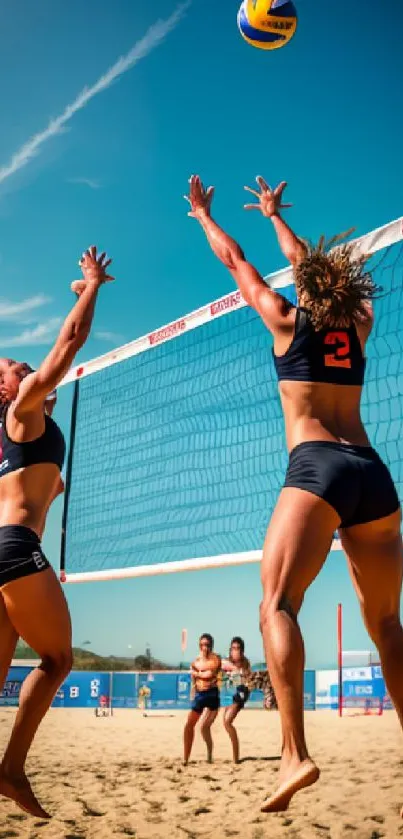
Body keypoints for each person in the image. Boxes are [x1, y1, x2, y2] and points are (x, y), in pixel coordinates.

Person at [185, 175, 402, 813]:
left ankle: (293, 755)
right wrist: (284, 223)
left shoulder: (284, 320)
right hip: (374, 472)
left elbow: (236, 261)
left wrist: (204, 216)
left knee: (276, 603)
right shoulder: (361, 322)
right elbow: (309, 265)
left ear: (303, 287)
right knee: (388, 625)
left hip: (319, 468)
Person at [0, 246, 113, 819]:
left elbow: (37, 487)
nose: (22, 367)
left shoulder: (14, 432)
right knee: (58, 659)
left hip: (1, 548)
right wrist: (92, 286)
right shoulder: (21, 407)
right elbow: (67, 346)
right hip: (15, 551)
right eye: (13, 367)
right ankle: (12, 770)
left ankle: (9, 775)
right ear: (7, 390)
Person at [183, 633, 221, 765]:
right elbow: (194, 678)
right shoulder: (196, 661)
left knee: (204, 728)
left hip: (212, 695)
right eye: (202, 645)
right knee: (189, 725)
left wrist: (196, 673)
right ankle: (186, 758)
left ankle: (210, 754)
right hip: (200, 694)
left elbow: (209, 674)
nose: (205, 648)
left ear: (211, 646)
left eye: (207, 645)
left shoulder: (216, 659)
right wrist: (192, 689)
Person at [221, 636, 252, 763]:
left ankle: (236, 758)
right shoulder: (226, 661)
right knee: (225, 723)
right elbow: (220, 666)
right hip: (229, 694)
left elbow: (247, 681)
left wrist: (237, 672)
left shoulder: (245, 663)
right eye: (233, 648)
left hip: (241, 694)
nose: (236, 651)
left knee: (227, 722)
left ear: (242, 651)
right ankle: (236, 756)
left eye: (238, 649)